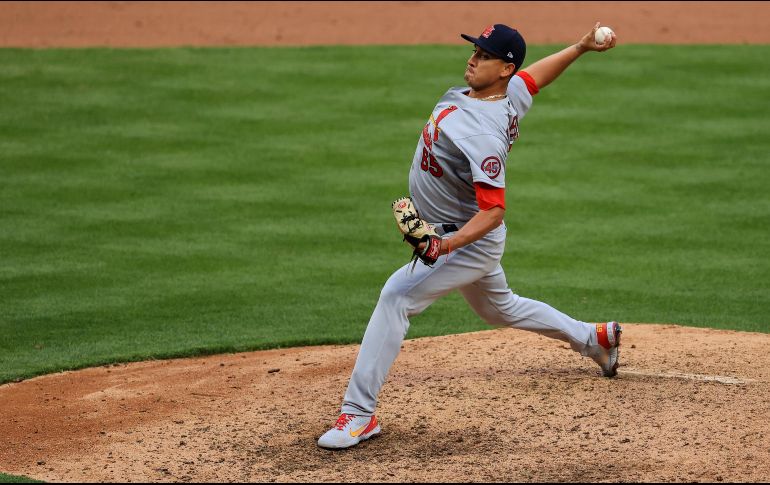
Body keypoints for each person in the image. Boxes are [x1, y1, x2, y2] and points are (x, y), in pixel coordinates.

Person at [318, 22, 619, 450]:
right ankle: (593, 339)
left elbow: (494, 210)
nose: (473, 58)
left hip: (466, 239)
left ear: (503, 68)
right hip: (460, 237)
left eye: (484, 55)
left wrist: (444, 246)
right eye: (475, 50)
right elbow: (534, 77)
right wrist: (581, 47)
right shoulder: (502, 91)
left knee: (396, 297)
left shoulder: (483, 133)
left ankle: (358, 414)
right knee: (500, 309)